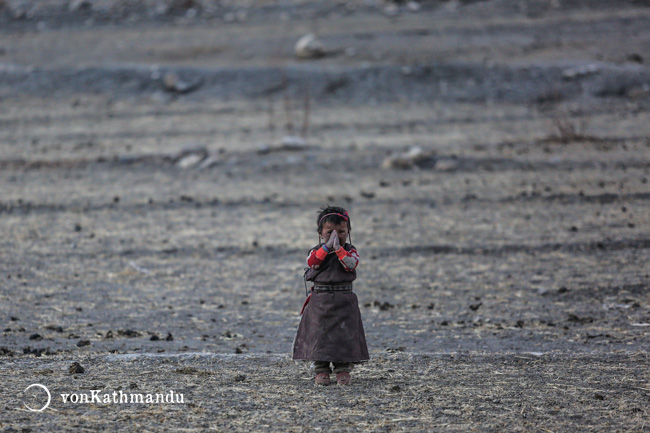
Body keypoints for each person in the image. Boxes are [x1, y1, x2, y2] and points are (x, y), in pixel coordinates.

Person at [292, 206, 369, 386]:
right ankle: (321, 370)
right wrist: (327, 248)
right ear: (320, 233)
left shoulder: (351, 251)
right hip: (321, 301)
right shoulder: (316, 251)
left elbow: (351, 265)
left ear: (348, 232)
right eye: (329, 232)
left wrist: (338, 249)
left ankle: (343, 370)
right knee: (320, 336)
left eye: (341, 231)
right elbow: (313, 262)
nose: (336, 236)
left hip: (344, 300)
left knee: (344, 336)